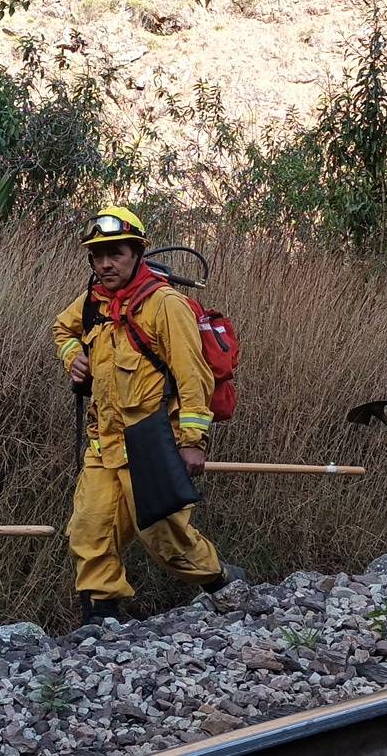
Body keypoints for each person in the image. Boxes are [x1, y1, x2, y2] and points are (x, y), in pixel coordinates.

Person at [52, 206, 243, 623]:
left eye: (115, 253)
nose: (105, 263)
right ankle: (100, 620)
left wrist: (193, 443)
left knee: (163, 537)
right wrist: (73, 357)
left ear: (137, 252)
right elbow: (61, 329)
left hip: (153, 443)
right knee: (90, 530)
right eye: (97, 255)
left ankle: (221, 581)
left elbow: (194, 379)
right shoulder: (92, 302)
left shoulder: (165, 305)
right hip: (104, 444)